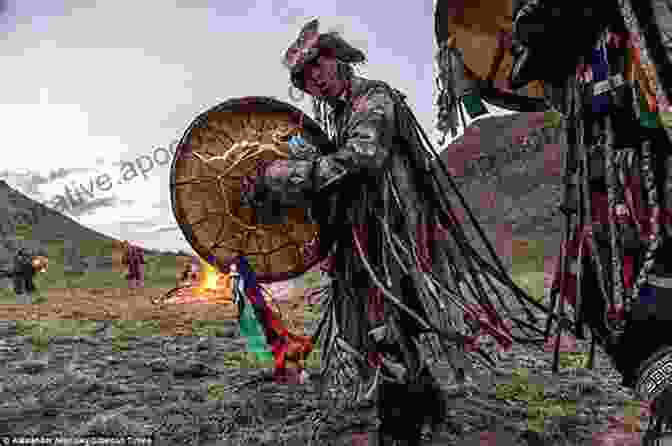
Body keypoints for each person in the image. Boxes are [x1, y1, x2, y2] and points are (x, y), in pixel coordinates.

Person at [243, 18, 548, 445]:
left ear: (337, 56)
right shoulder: (342, 114)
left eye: (319, 64)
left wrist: (285, 174)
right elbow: (339, 178)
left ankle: (399, 430)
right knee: (388, 325)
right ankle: (427, 404)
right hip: (367, 240)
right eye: (305, 77)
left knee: (388, 327)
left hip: (397, 239)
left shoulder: (374, 99)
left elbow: (362, 159)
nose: (315, 79)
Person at [507, 0, 672, 441]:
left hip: (649, 175)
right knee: (606, 300)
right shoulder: (569, 43)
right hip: (610, 196)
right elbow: (523, 69)